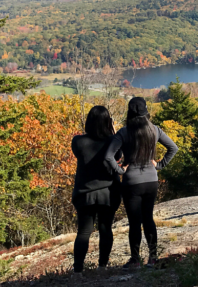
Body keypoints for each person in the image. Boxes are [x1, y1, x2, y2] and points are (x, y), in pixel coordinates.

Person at [104, 97, 178, 269]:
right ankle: (153, 258)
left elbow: (108, 156)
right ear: (146, 112)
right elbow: (173, 148)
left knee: (135, 222)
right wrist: (159, 165)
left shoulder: (124, 132)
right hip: (151, 181)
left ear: (129, 112)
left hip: (131, 182)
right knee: (149, 219)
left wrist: (120, 170)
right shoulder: (155, 130)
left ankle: (135, 259)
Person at [71, 106, 122, 276]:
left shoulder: (78, 141)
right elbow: (119, 156)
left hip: (85, 194)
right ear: (108, 122)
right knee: (105, 228)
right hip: (108, 192)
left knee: (84, 231)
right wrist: (113, 132)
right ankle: (102, 266)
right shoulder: (113, 142)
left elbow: (79, 153)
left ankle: (78, 270)